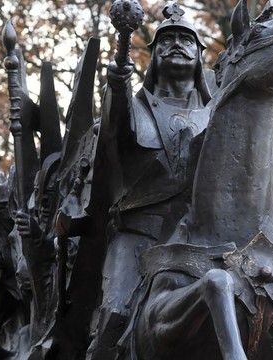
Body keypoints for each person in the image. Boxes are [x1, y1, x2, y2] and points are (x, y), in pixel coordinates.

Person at [86, 3, 214, 359]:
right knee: (114, 315)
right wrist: (119, 75)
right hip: (139, 236)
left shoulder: (217, 114)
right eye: (167, 40)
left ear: (200, 56)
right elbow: (115, 126)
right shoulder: (136, 108)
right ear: (154, 56)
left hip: (201, 240)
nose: (176, 43)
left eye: (186, 39)